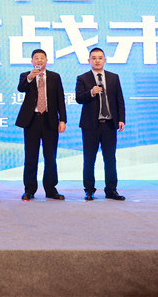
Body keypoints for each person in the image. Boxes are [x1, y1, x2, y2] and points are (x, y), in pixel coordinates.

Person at [15, 49, 67, 201]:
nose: (39, 60)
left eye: (42, 58)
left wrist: (63, 120)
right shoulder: (26, 75)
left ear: (46, 60)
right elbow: (21, 88)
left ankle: (51, 189)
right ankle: (29, 190)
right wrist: (30, 77)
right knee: (31, 157)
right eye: (36, 58)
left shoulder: (55, 77)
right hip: (32, 121)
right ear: (32, 61)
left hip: (50, 121)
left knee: (50, 157)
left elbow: (60, 99)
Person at [75, 47, 126, 201]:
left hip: (109, 124)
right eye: (94, 58)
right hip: (90, 125)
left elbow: (119, 99)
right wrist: (91, 92)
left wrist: (121, 119)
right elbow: (79, 98)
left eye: (100, 58)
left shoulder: (113, 77)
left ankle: (111, 190)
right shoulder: (83, 78)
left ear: (105, 60)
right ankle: (89, 190)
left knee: (110, 159)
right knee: (89, 159)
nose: (97, 61)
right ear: (89, 60)